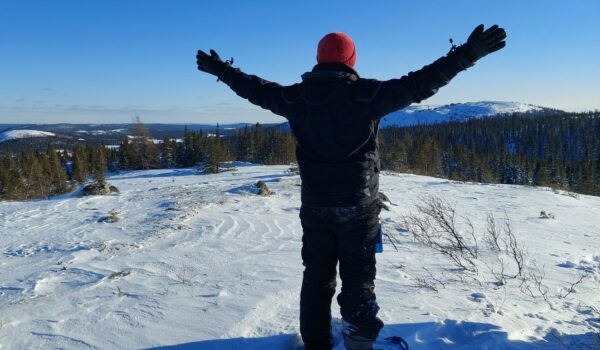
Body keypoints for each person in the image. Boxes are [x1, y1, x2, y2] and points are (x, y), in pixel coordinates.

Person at [196, 24, 506, 350]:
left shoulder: (295, 98)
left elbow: (255, 89)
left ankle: (316, 344)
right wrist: (467, 54)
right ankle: (359, 343)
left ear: (319, 60)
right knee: (358, 280)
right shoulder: (368, 95)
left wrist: (222, 70)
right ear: (351, 61)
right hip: (359, 208)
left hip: (315, 207)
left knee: (316, 277)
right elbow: (421, 83)